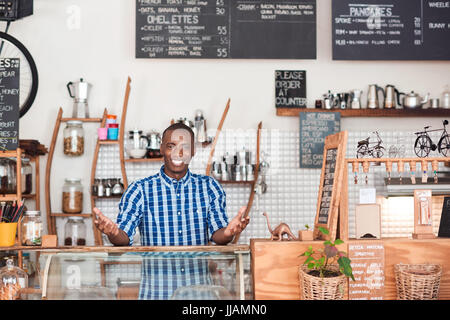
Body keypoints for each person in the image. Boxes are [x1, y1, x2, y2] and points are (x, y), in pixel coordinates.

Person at [93, 122, 250, 299]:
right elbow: (123, 238)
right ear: (161, 148)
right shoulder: (140, 190)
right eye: (171, 146)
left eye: (185, 147)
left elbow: (218, 235)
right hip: (157, 294)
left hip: (198, 298)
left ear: (194, 151)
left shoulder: (209, 187)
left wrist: (229, 232)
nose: (178, 153)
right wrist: (112, 232)